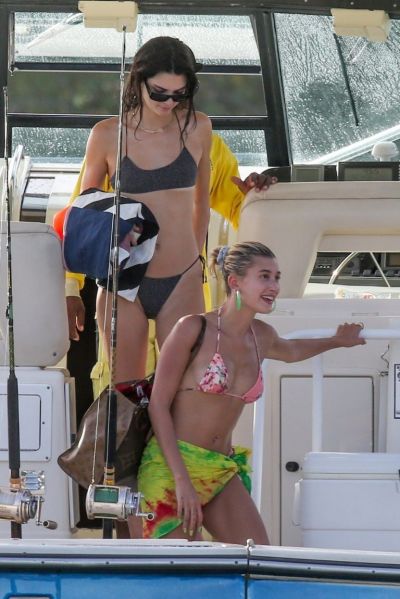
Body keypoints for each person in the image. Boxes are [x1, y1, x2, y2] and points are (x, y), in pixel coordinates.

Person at [137, 241, 366, 543]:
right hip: (171, 466)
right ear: (235, 282)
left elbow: (292, 350)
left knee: (256, 554)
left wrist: (336, 341)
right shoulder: (192, 328)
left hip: (220, 467)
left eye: (277, 277)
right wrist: (181, 480)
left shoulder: (262, 336)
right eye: (264, 276)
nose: (274, 286)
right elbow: (158, 405)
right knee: (188, 565)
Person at [67, 36, 212, 384]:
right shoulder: (107, 134)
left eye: (178, 94)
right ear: (138, 80)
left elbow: (202, 202)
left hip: (182, 277)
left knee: (186, 388)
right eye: (159, 93)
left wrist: (196, 263)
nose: (169, 102)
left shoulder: (199, 127)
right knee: (126, 392)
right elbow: (84, 212)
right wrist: (72, 286)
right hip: (124, 281)